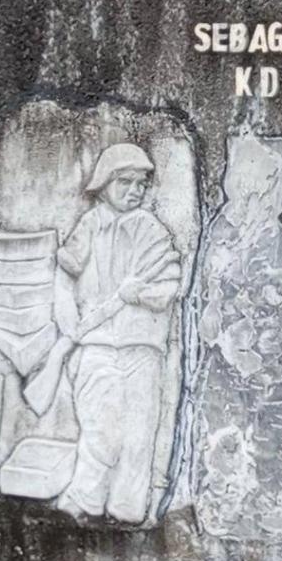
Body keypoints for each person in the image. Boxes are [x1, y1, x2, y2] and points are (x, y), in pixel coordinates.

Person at [55, 143, 182, 524]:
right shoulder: (89, 225)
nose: (134, 190)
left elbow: (169, 286)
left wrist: (137, 293)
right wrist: (70, 325)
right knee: (100, 429)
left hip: (142, 346)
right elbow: (64, 274)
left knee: (139, 434)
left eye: (141, 184)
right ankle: (84, 500)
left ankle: (128, 508)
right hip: (96, 344)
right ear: (105, 183)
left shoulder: (153, 231)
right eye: (125, 182)